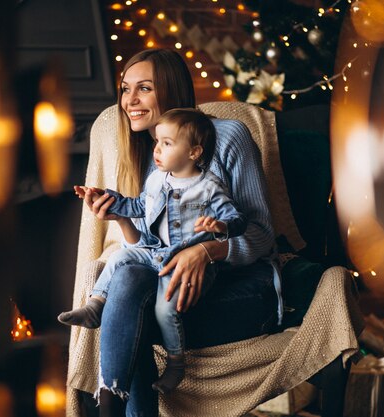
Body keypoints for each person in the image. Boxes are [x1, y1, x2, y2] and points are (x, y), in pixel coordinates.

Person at [67, 48, 283, 417]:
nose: (129, 101)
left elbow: (263, 234)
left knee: (129, 312)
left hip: (238, 284)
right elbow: (151, 248)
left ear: (171, 90)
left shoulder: (227, 136)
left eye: (144, 89)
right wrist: (119, 217)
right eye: (124, 89)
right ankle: (110, 407)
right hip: (169, 281)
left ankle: (108, 408)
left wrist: (208, 251)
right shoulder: (156, 162)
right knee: (128, 278)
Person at [58, 108, 247, 394]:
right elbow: (137, 207)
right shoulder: (158, 180)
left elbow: (239, 221)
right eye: (157, 142)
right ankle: (97, 304)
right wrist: (105, 199)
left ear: (194, 152)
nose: (156, 150)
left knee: (165, 308)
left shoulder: (209, 187)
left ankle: (175, 363)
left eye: (167, 144)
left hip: (188, 263)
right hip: (154, 251)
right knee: (120, 257)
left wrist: (219, 226)